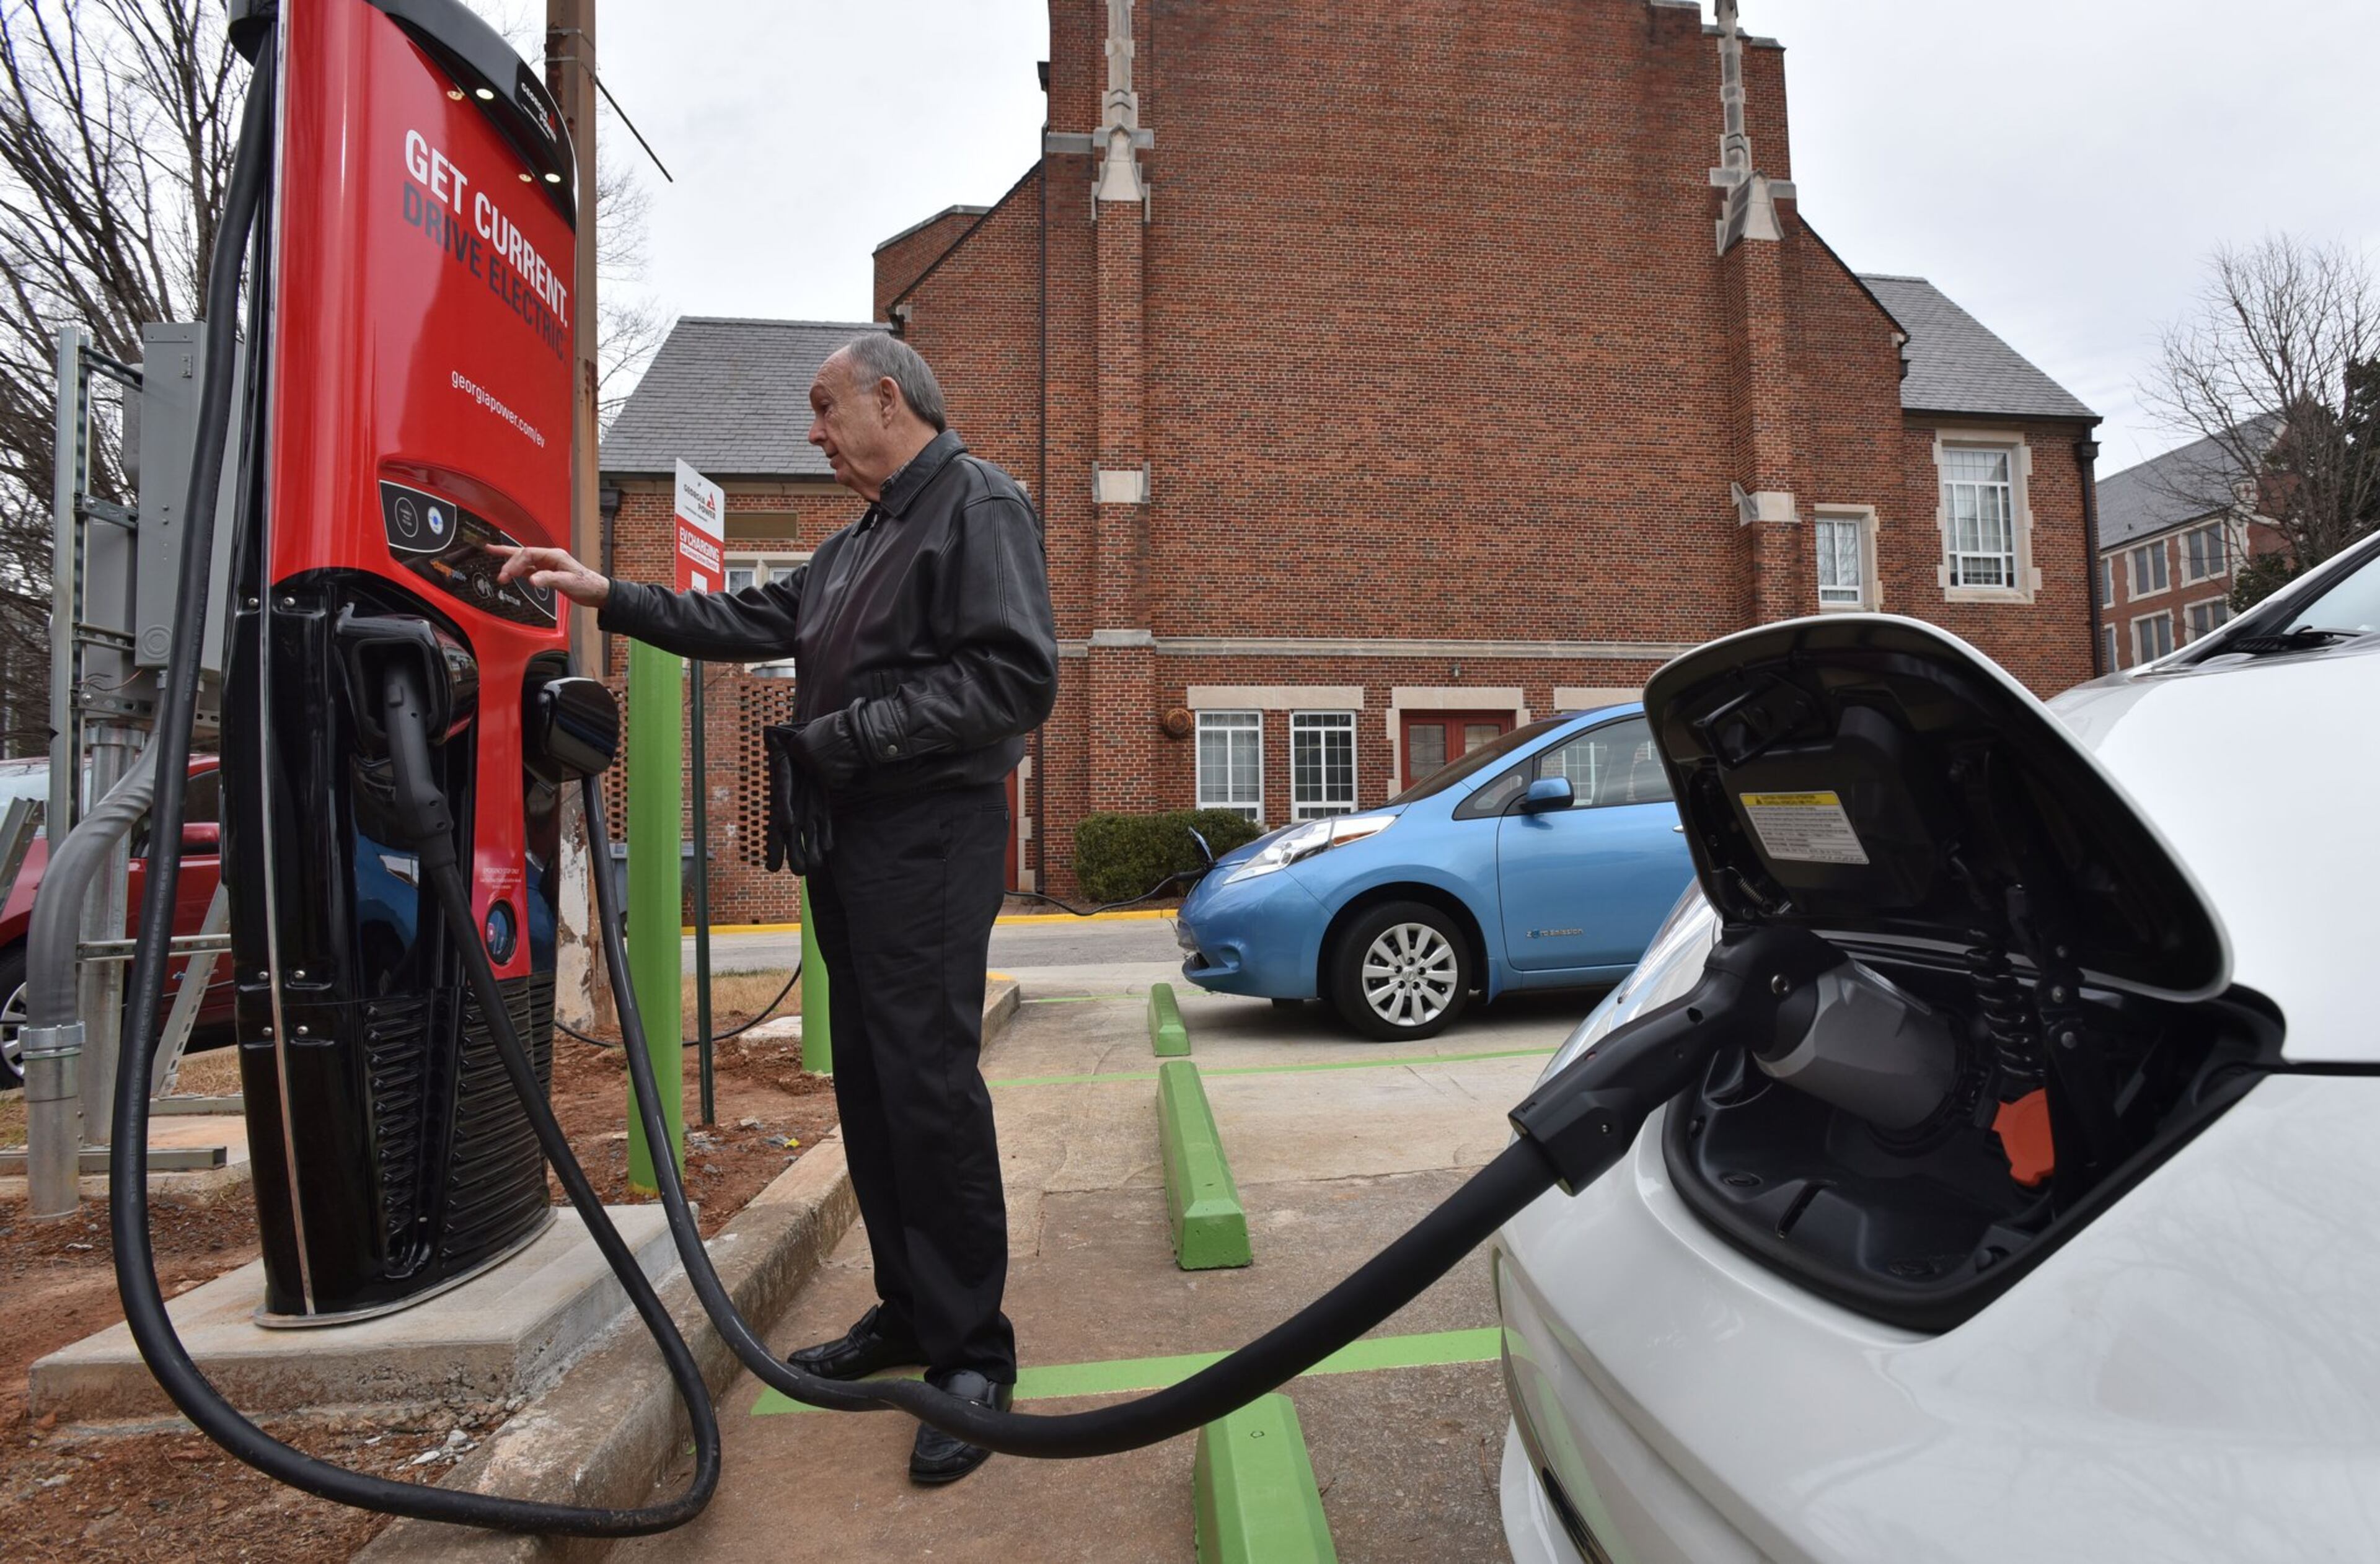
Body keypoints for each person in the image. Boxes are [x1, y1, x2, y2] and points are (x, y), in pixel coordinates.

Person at [493, 333, 1058, 1485]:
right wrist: (603, 591)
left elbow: (1015, 677)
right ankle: (909, 1313)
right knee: (869, 1074)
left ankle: (972, 1354)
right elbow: (748, 623)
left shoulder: (977, 507)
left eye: (822, 407)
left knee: (928, 1083)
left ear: (888, 400)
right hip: (856, 845)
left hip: (928, 841)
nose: (811, 432)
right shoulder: (858, 543)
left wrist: (849, 735)